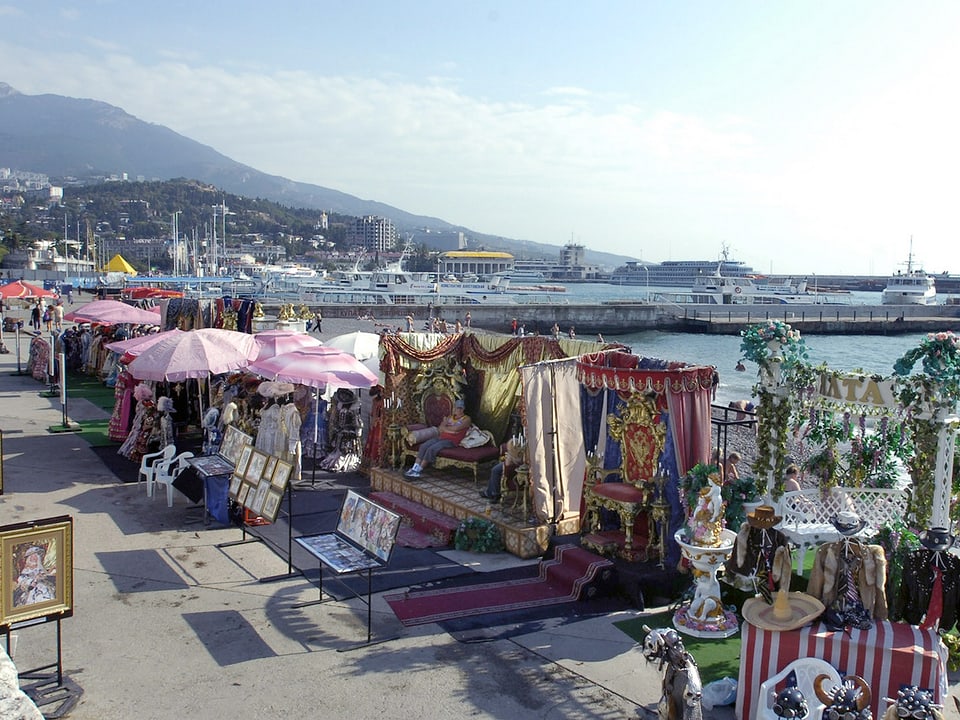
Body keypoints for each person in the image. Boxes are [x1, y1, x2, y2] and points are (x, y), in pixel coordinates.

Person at [405, 399, 471, 478]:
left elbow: (456, 429)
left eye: (459, 408)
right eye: (456, 408)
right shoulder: (450, 417)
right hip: (441, 437)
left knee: (432, 449)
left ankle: (418, 470)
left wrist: (447, 428)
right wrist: (450, 430)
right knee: (424, 446)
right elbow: (440, 428)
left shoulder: (466, 419)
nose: (457, 410)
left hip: (452, 441)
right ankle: (414, 467)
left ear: (463, 409)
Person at [480, 437, 524, 503]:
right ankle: (490, 492)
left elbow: (507, 471)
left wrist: (507, 462)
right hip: (512, 459)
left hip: (513, 463)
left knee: (495, 471)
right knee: (495, 470)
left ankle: (495, 493)